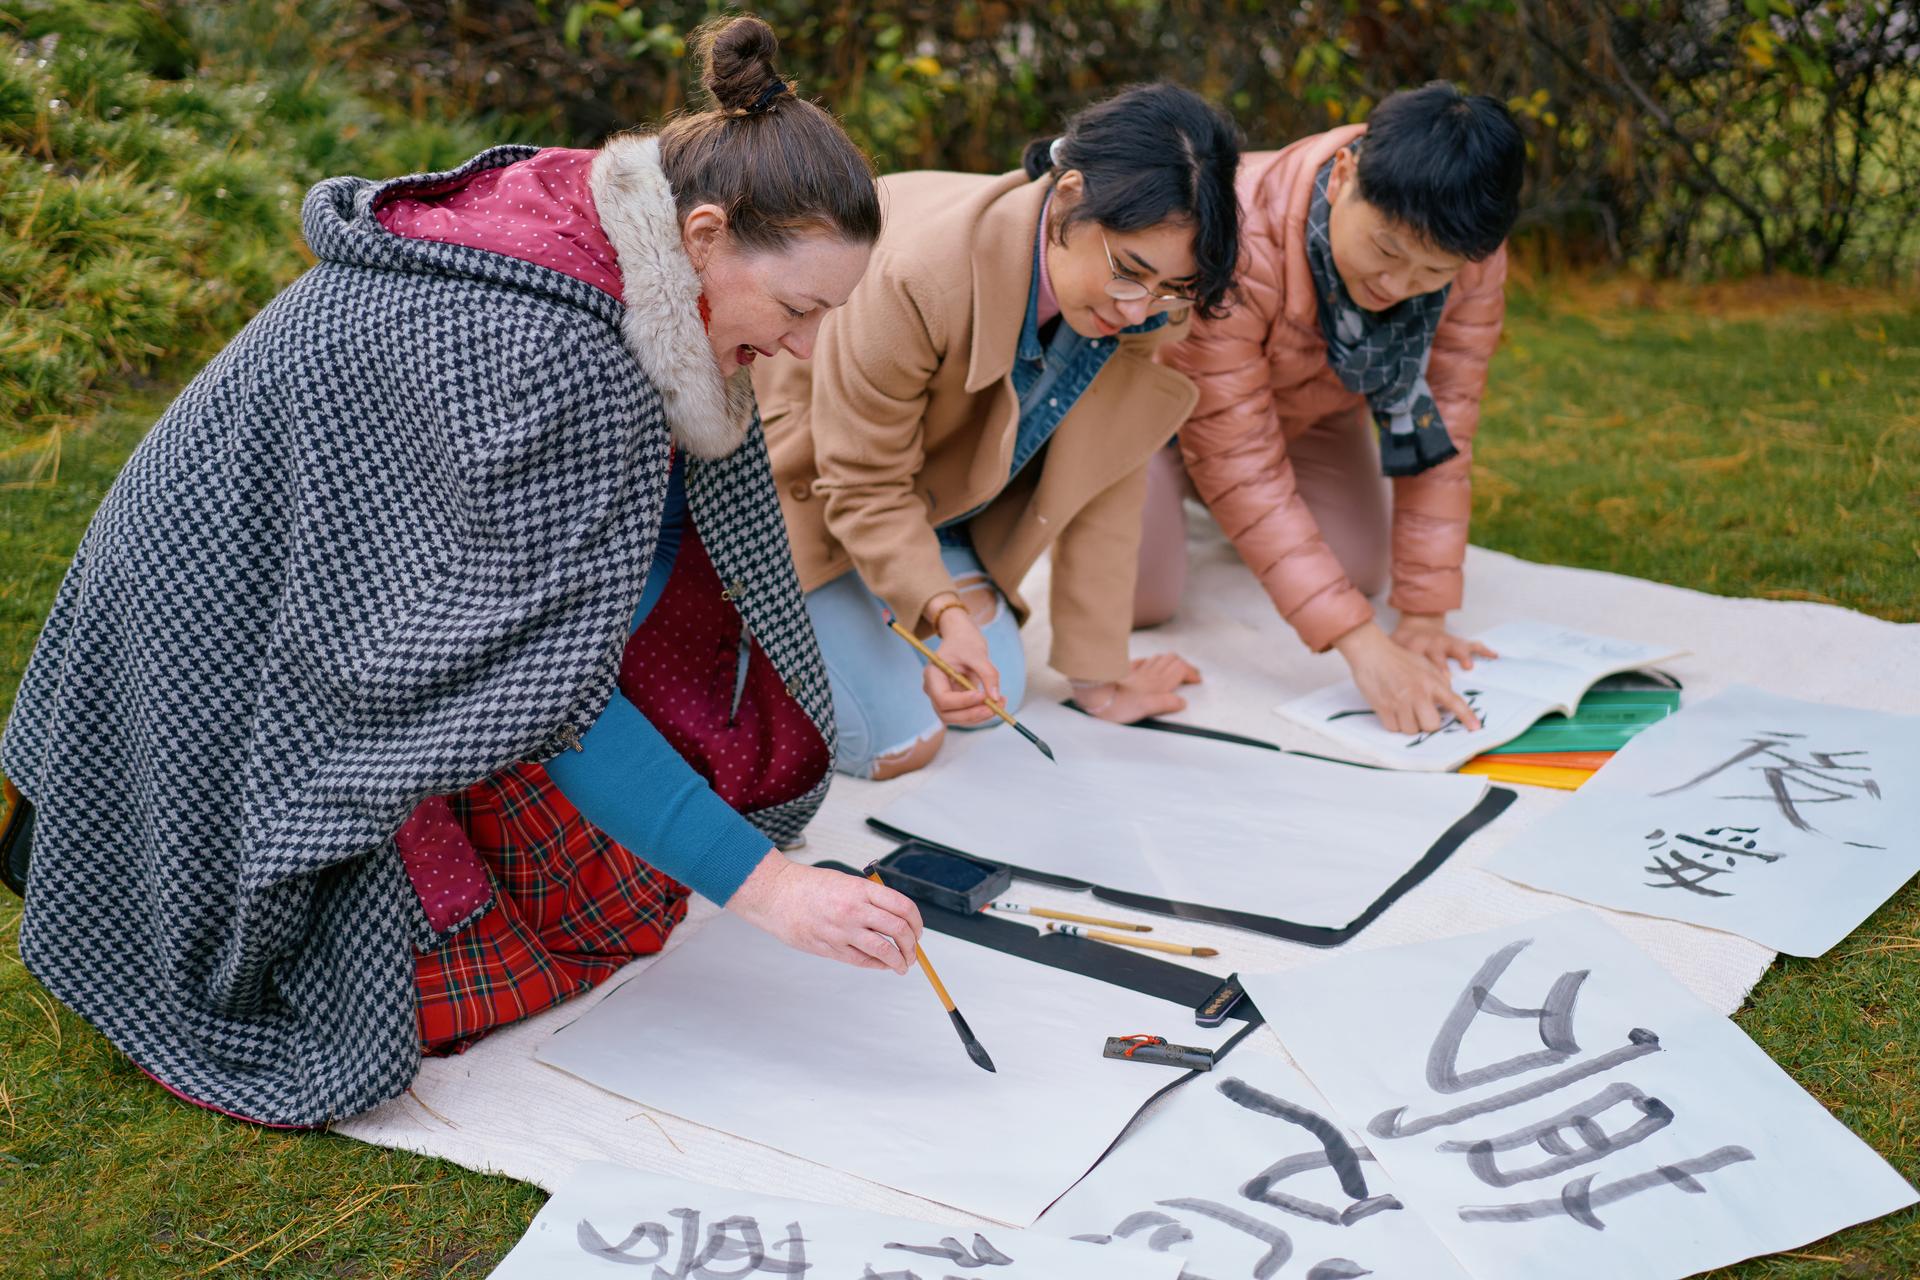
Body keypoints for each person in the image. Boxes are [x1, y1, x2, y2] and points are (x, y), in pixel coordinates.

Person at [0, 16, 926, 1128]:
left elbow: (590, 590)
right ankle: (119, 854)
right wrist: (767, 888)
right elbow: (557, 689)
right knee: (416, 987)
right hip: (225, 648)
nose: (806, 348)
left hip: (306, 592)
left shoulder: (597, 230)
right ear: (706, 231)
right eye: (798, 309)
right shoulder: (562, 348)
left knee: (612, 887)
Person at [755, 84, 1241, 779]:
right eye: (1129, 272)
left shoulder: (1151, 302)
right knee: (899, 743)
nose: (1140, 309)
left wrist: (1099, 677)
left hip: (930, 501)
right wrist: (947, 616)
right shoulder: (918, 278)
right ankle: (731, 646)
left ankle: (892, 605)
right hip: (804, 494)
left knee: (992, 695)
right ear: (1069, 196)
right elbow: (859, 482)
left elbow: (1107, 474)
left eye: (1174, 287)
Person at [1141, 83, 1525, 735]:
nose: (1398, 286)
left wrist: (1425, 615)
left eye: (1431, 275)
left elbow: (1447, 416)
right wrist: (1362, 645)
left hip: (1303, 413)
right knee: (1142, 599)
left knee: (1355, 570)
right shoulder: (1237, 236)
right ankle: (1119, 488)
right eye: (1386, 250)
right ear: (1345, 175)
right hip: (1153, 414)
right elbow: (1236, 455)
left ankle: (1219, 508)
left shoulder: (1471, 258)